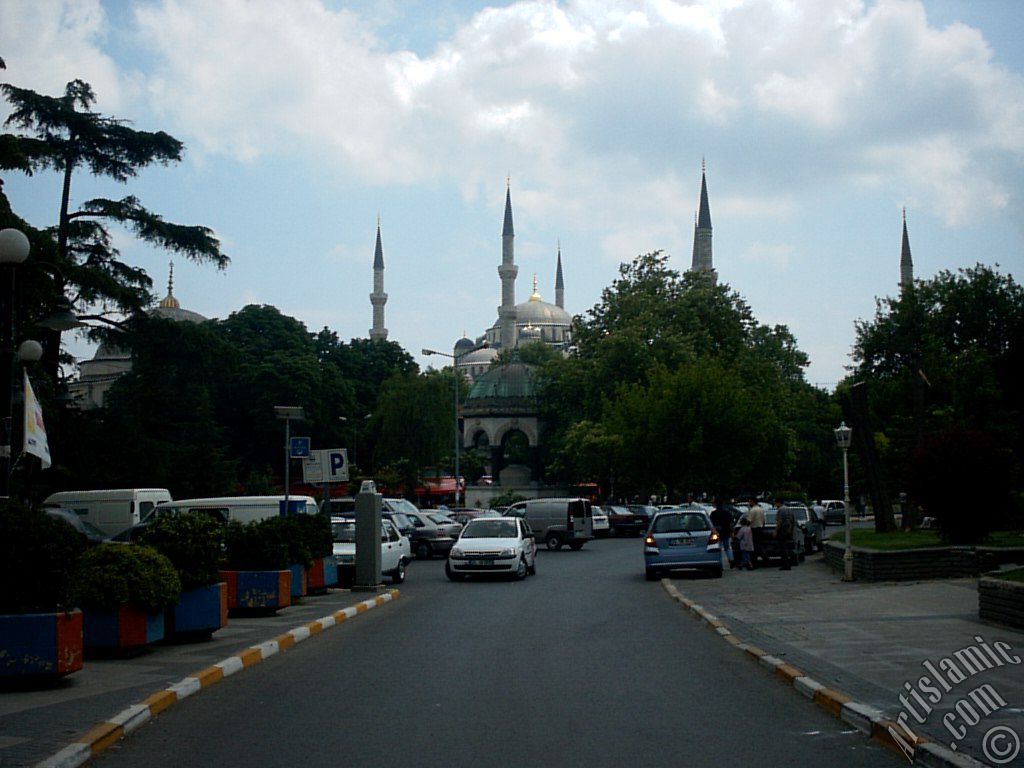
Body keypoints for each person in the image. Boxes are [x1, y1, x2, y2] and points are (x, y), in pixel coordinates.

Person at [710, 498, 736, 569]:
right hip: (726, 532)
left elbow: (710, 524)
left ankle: (720, 563)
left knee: (718, 549)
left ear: (715, 505)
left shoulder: (713, 514)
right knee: (727, 547)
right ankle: (731, 560)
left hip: (717, 533)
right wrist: (732, 532)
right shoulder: (727, 513)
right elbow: (731, 523)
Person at [774, 499, 796, 570]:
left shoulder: (781, 510)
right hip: (788, 530)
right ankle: (792, 561)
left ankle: (785, 564)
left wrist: (776, 531)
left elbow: (779, 521)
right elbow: (793, 521)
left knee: (782, 548)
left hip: (783, 530)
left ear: (778, 503)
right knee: (788, 547)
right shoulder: (789, 509)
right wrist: (791, 530)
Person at [747, 498, 767, 567]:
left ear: (753, 502)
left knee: (754, 546)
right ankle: (764, 558)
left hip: (754, 529)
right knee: (759, 545)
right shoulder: (761, 509)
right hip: (760, 529)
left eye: (750, 502)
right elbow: (764, 521)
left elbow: (749, 521)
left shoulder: (752, 510)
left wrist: (746, 527)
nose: (749, 503)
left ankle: (755, 561)